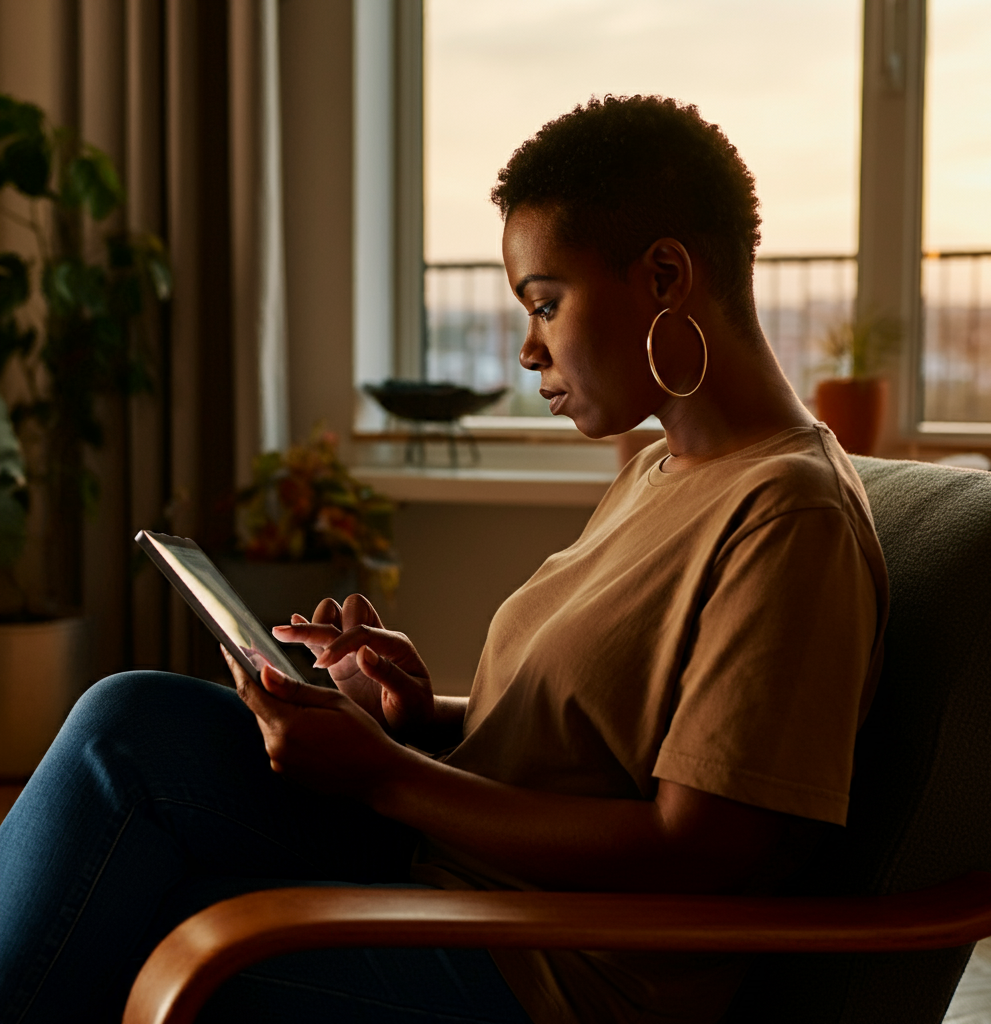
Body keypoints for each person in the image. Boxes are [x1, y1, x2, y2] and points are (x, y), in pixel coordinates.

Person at [0, 95, 887, 1024]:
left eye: (546, 301)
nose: (526, 347)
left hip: (545, 970)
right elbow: (602, 741)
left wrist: (388, 773)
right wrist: (417, 718)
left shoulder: (790, 514)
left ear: (665, 275)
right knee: (128, 722)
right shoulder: (664, 468)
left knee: (129, 922)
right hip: (460, 876)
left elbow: (703, 848)